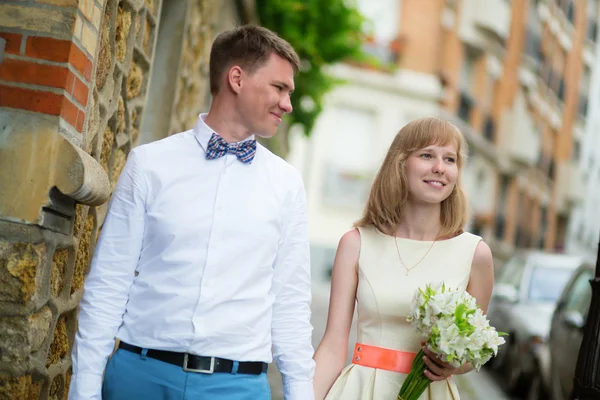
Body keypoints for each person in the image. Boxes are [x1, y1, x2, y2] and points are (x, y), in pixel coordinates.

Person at [69, 25, 315, 400]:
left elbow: (291, 304)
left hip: (237, 388)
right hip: (139, 379)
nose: (288, 103)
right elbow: (109, 282)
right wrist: (84, 389)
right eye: (279, 88)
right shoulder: (149, 164)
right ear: (237, 78)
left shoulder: (287, 185)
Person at [313, 117, 495, 399]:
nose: (439, 167)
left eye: (450, 159)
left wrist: (453, 364)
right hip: (362, 391)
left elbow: (473, 350)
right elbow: (334, 345)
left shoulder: (475, 254)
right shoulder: (356, 244)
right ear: (400, 164)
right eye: (426, 155)